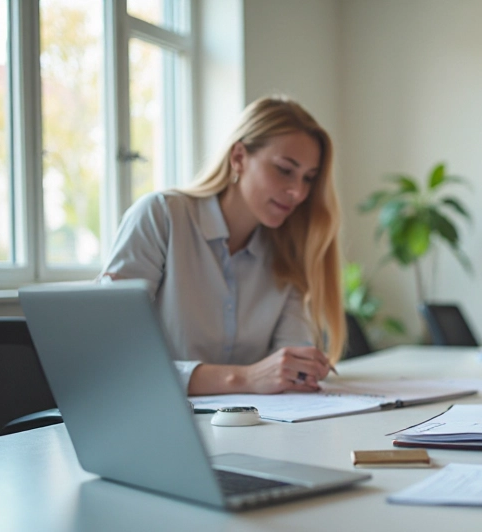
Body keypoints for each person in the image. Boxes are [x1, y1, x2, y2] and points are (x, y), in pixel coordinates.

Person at [101, 95, 345, 396]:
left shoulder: (288, 249)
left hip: (255, 427)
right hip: (153, 422)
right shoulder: (162, 216)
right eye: (284, 169)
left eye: (309, 178)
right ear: (239, 157)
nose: (297, 192)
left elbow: (291, 366)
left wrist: (302, 369)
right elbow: (111, 361)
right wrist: (243, 378)